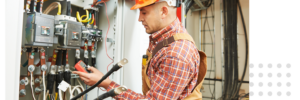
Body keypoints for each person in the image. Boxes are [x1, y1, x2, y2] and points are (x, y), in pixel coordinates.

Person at [73, 0, 206, 99]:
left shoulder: (175, 54)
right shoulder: (167, 34)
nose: (139, 19)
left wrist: (106, 84)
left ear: (163, 11)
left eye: (144, 12)